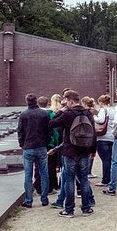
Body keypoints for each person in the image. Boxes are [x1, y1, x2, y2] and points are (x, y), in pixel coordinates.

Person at [48, 90, 95, 218]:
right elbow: (93, 133)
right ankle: (86, 208)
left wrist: (60, 111)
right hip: (85, 150)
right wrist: (93, 150)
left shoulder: (68, 114)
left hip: (69, 151)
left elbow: (51, 123)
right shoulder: (87, 113)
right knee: (84, 180)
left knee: (69, 180)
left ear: (69, 101)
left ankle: (69, 210)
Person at [18, 93, 50, 208]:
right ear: (36, 101)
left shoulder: (23, 115)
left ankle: (28, 200)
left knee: (28, 174)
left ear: (27, 101)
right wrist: (46, 143)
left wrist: (22, 144)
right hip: (41, 146)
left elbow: (20, 132)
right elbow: (48, 130)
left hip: (28, 146)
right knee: (44, 173)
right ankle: (44, 199)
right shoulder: (44, 114)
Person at [94, 94, 114, 188]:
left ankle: (105, 180)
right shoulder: (112, 110)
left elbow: (101, 120)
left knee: (105, 160)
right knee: (109, 159)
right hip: (111, 137)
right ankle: (110, 178)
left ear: (101, 102)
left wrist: (94, 117)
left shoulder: (103, 110)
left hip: (103, 138)